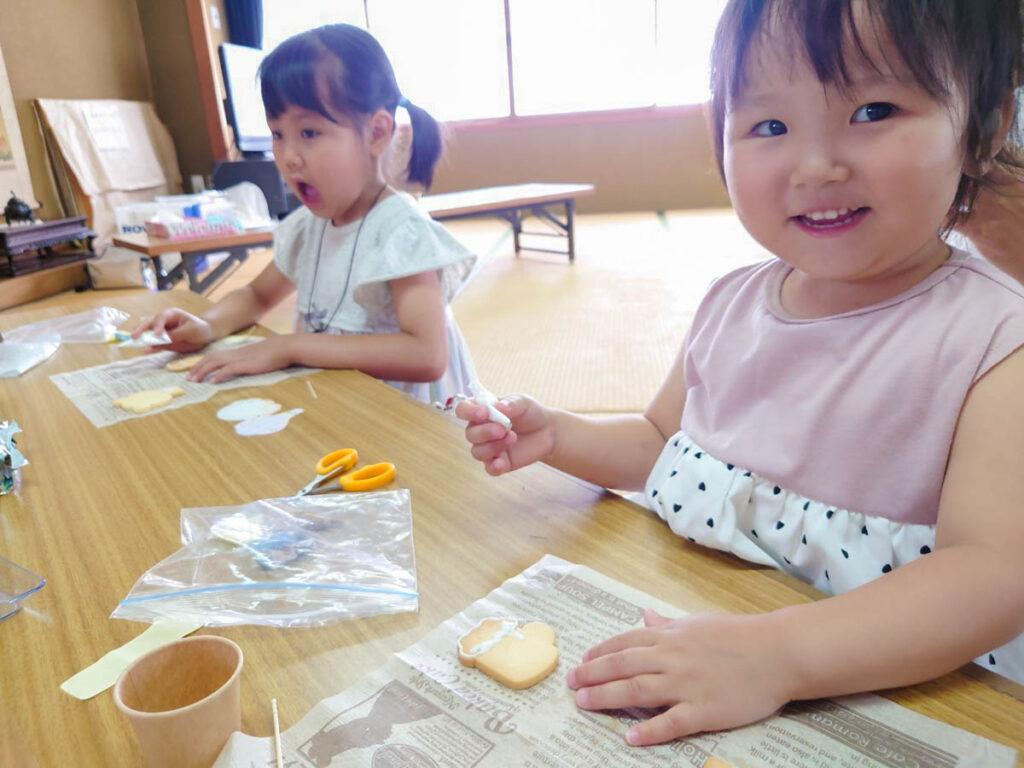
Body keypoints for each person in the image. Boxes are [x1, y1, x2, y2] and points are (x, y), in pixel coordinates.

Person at [458, 0, 1024, 747]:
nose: (816, 165)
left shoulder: (994, 338)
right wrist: (558, 435)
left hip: (900, 692)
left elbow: (992, 575)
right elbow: (661, 441)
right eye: (769, 127)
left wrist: (779, 655)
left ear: (981, 128)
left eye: (874, 109)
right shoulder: (732, 302)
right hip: (703, 630)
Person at [133, 24, 477, 405]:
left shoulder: (399, 232)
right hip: (343, 399)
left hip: (406, 415)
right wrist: (206, 325)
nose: (289, 156)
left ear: (377, 133)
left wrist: (291, 347)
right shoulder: (307, 228)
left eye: (309, 133)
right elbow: (256, 294)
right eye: (277, 134)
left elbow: (426, 355)